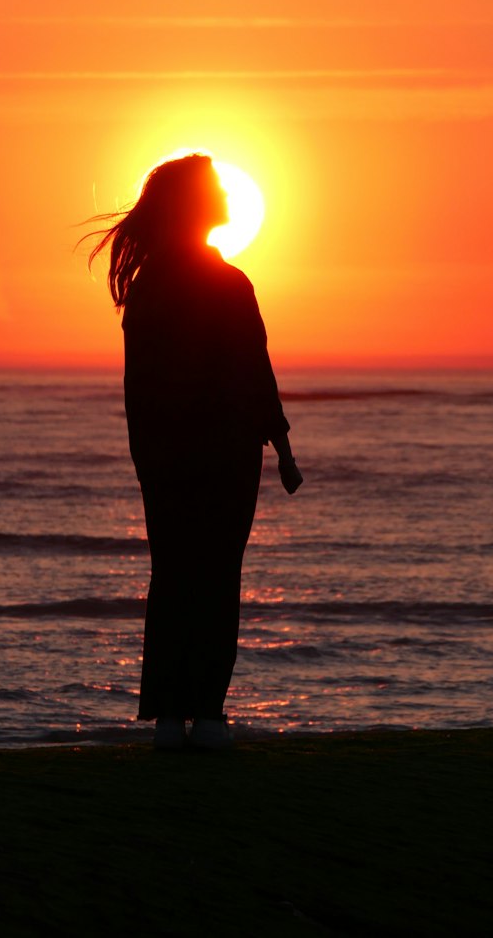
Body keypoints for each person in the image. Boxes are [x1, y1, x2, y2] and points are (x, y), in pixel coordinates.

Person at [84, 153, 302, 751]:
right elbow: (158, 384)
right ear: (194, 203)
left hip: (205, 455)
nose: (228, 196)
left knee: (188, 578)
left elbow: (255, 371)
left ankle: (188, 716)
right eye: (216, 188)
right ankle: (190, 715)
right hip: (201, 455)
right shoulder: (187, 284)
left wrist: (280, 444)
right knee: (201, 580)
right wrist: (277, 443)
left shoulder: (201, 282)